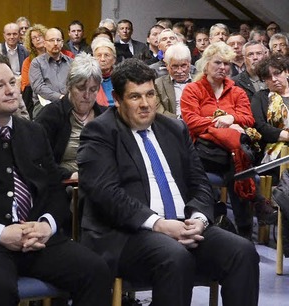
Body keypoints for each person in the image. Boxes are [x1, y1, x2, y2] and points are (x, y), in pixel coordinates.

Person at [0, 53, 111, 306]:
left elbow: (53, 190)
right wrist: (1, 233)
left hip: (37, 238)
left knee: (96, 270)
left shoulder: (33, 131)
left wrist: (46, 225)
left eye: (12, 83)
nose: (10, 91)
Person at [78, 58, 260, 306]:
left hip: (184, 226)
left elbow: (200, 183)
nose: (145, 104)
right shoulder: (100, 132)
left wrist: (199, 218)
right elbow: (105, 194)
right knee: (174, 256)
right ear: (118, 100)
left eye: (150, 94)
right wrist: (159, 225)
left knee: (243, 251)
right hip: (127, 234)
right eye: (135, 97)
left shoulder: (174, 129)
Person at [180, 42, 257, 238]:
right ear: (205, 64)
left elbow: (248, 119)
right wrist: (221, 125)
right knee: (239, 169)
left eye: (227, 64)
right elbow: (191, 122)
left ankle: (223, 222)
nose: (223, 67)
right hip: (204, 152)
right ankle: (246, 227)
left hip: (229, 155)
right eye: (218, 62)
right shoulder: (192, 90)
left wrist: (231, 118)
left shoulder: (237, 91)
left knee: (234, 163)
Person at [35, 53, 106, 180]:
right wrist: (70, 176)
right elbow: (39, 161)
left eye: (93, 89)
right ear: (69, 86)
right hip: (64, 185)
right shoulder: (51, 115)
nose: (87, 96)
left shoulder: (105, 116)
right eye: (81, 88)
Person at [250, 55, 289, 163]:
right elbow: (260, 126)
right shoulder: (260, 97)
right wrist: (287, 136)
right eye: (267, 77)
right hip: (275, 149)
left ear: (286, 72)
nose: (274, 79)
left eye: (277, 73)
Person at [29, 28, 72, 117]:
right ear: (44, 43)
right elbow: (38, 87)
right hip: (44, 106)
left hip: (68, 104)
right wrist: (60, 98)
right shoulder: (37, 63)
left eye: (58, 40)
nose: (55, 43)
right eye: (52, 40)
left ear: (62, 43)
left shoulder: (71, 62)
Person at [154, 42, 195, 118]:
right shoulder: (158, 85)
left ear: (189, 64)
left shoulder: (200, 82)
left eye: (183, 66)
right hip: (170, 126)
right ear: (167, 66)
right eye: (175, 66)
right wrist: (178, 120)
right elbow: (159, 111)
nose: (180, 71)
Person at [20, 24, 48, 92]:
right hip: (35, 94)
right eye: (34, 38)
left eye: (40, 36)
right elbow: (25, 86)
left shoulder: (54, 56)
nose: (38, 39)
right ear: (31, 43)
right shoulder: (28, 62)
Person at [91, 37, 116, 106]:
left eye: (107, 55)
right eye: (99, 55)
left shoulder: (121, 77)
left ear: (114, 59)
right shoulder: (88, 78)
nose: (102, 59)